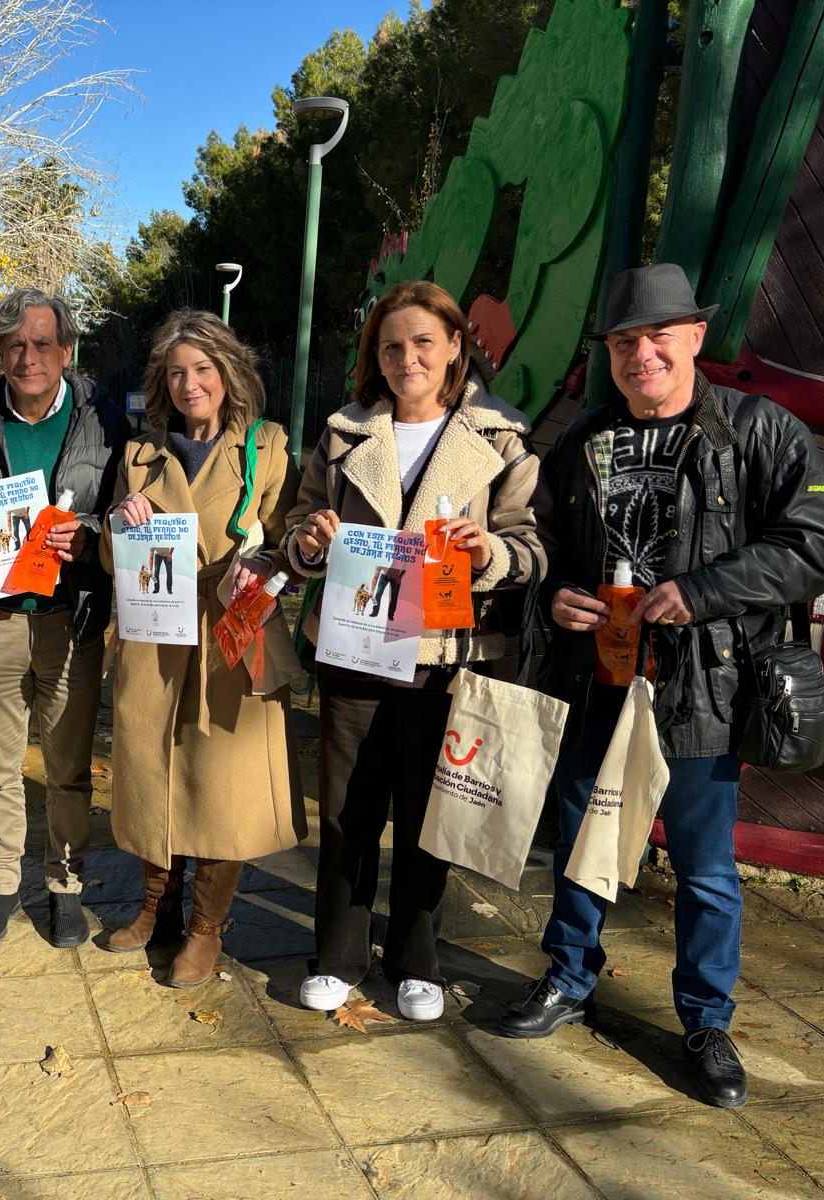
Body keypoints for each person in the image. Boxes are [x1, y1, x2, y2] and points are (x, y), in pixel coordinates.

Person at [496, 263, 824, 1106]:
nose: (640, 353)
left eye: (658, 335)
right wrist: (556, 594)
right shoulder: (580, 441)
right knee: (582, 843)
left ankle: (706, 1020)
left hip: (704, 691)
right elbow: (542, 549)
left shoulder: (761, 433)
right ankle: (571, 979)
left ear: (694, 337)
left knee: (705, 869)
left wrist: (701, 590)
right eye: (623, 341)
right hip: (599, 678)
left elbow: (815, 544)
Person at [282, 280, 545, 1021]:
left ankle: (414, 959)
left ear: (457, 345)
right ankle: (337, 954)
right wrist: (306, 542)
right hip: (356, 644)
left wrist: (490, 549)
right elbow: (298, 527)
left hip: (449, 654)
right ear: (377, 355)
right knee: (344, 810)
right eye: (391, 345)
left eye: (424, 342)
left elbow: (532, 546)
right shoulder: (342, 435)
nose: (407, 359)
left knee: (430, 813)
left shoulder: (501, 439)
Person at [101, 310, 306, 986]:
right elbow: (109, 558)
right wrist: (117, 524)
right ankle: (155, 908)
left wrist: (270, 563)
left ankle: (206, 928)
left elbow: (294, 544)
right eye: (177, 372)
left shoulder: (268, 447)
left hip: (231, 633)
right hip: (154, 636)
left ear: (228, 373)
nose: (191, 384)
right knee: (152, 770)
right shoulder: (138, 456)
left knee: (223, 787)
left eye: (203, 369)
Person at [0, 287, 129, 948]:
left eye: (42, 343)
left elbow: (131, 508)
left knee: (68, 768)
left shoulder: (104, 419)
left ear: (66, 350)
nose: (28, 356)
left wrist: (92, 534)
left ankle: (66, 883)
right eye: (14, 344)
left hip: (72, 616)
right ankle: (2, 882)